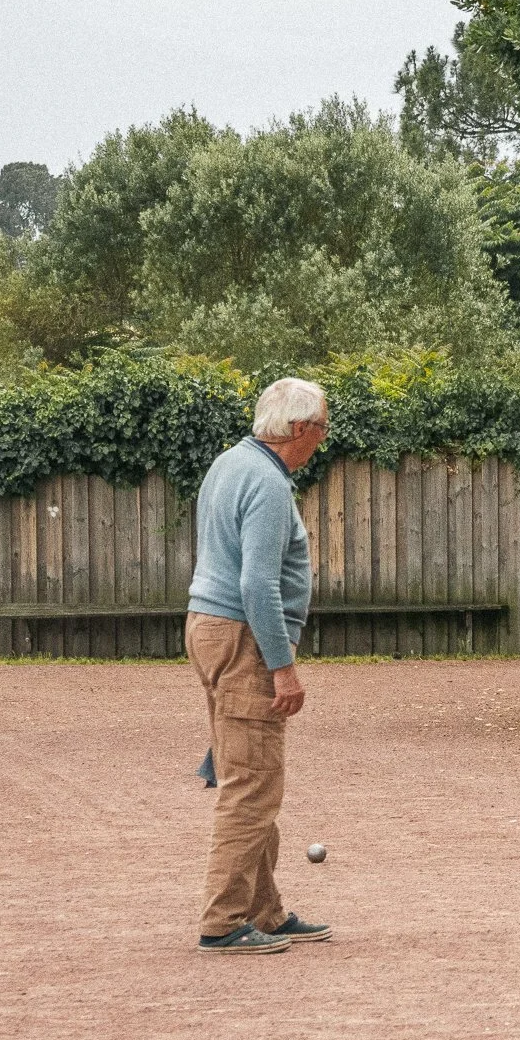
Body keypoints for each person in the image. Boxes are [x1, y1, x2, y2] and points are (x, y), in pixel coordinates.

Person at [186, 377, 333, 954]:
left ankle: (264, 911)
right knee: (252, 785)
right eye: (321, 429)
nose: (321, 440)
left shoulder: (229, 464)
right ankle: (222, 922)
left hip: (210, 626)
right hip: (243, 635)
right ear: (298, 429)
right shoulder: (269, 485)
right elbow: (258, 584)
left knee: (250, 772)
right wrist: (283, 665)